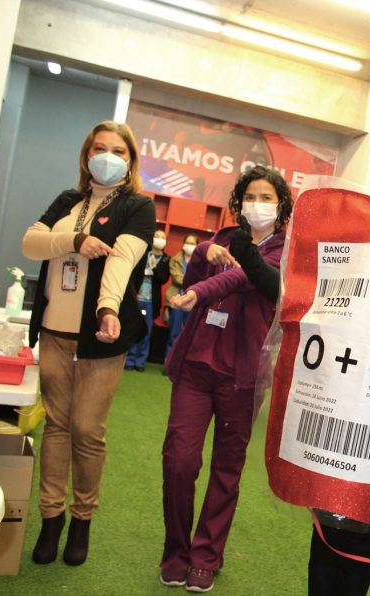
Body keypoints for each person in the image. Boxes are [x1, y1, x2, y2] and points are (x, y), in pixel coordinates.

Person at [22, 120, 155, 566]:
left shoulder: (138, 206)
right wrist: (74, 239)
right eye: (100, 148)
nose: (108, 156)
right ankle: (51, 518)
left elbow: (122, 260)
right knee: (56, 427)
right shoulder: (67, 200)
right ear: (86, 154)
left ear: (130, 160)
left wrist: (108, 308)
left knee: (85, 430)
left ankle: (82, 520)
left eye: (118, 150)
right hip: (55, 332)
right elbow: (31, 244)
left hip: (101, 335)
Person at [159, 165, 291, 592]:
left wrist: (202, 289)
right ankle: (176, 552)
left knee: (226, 470)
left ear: (281, 206)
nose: (258, 204)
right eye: (251, 196)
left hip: (244, 376)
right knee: (179, 461)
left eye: (267, 197)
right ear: (238, 202)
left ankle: (205, 556)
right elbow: (192, 283)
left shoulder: (287, 251)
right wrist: (201, 256)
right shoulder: (218, 240)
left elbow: (247, 278)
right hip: (197, 368)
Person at [125, 228, 169, 371]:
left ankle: (140, 362)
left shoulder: (166, 259)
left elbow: (163, 279)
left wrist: (155, 270)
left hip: (151, 301)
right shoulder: (143, 255)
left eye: (162, 237)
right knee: (133, 329)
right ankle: (129, 359)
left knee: (147, 331)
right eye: (157, 236)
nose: (159, 239)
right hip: (137, 298)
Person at [164, 233, 197, 361]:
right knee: (174, 333)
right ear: (183, 244)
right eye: (187, 243)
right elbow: (177, 278)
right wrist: (193, 281)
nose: (189, 245)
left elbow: (203, 279)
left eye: (192, 243)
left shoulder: (200, 261)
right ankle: (168, 361)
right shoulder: (175, 260)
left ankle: (180, 363)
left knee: (188, 334)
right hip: (176, 300)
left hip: (192, 302)